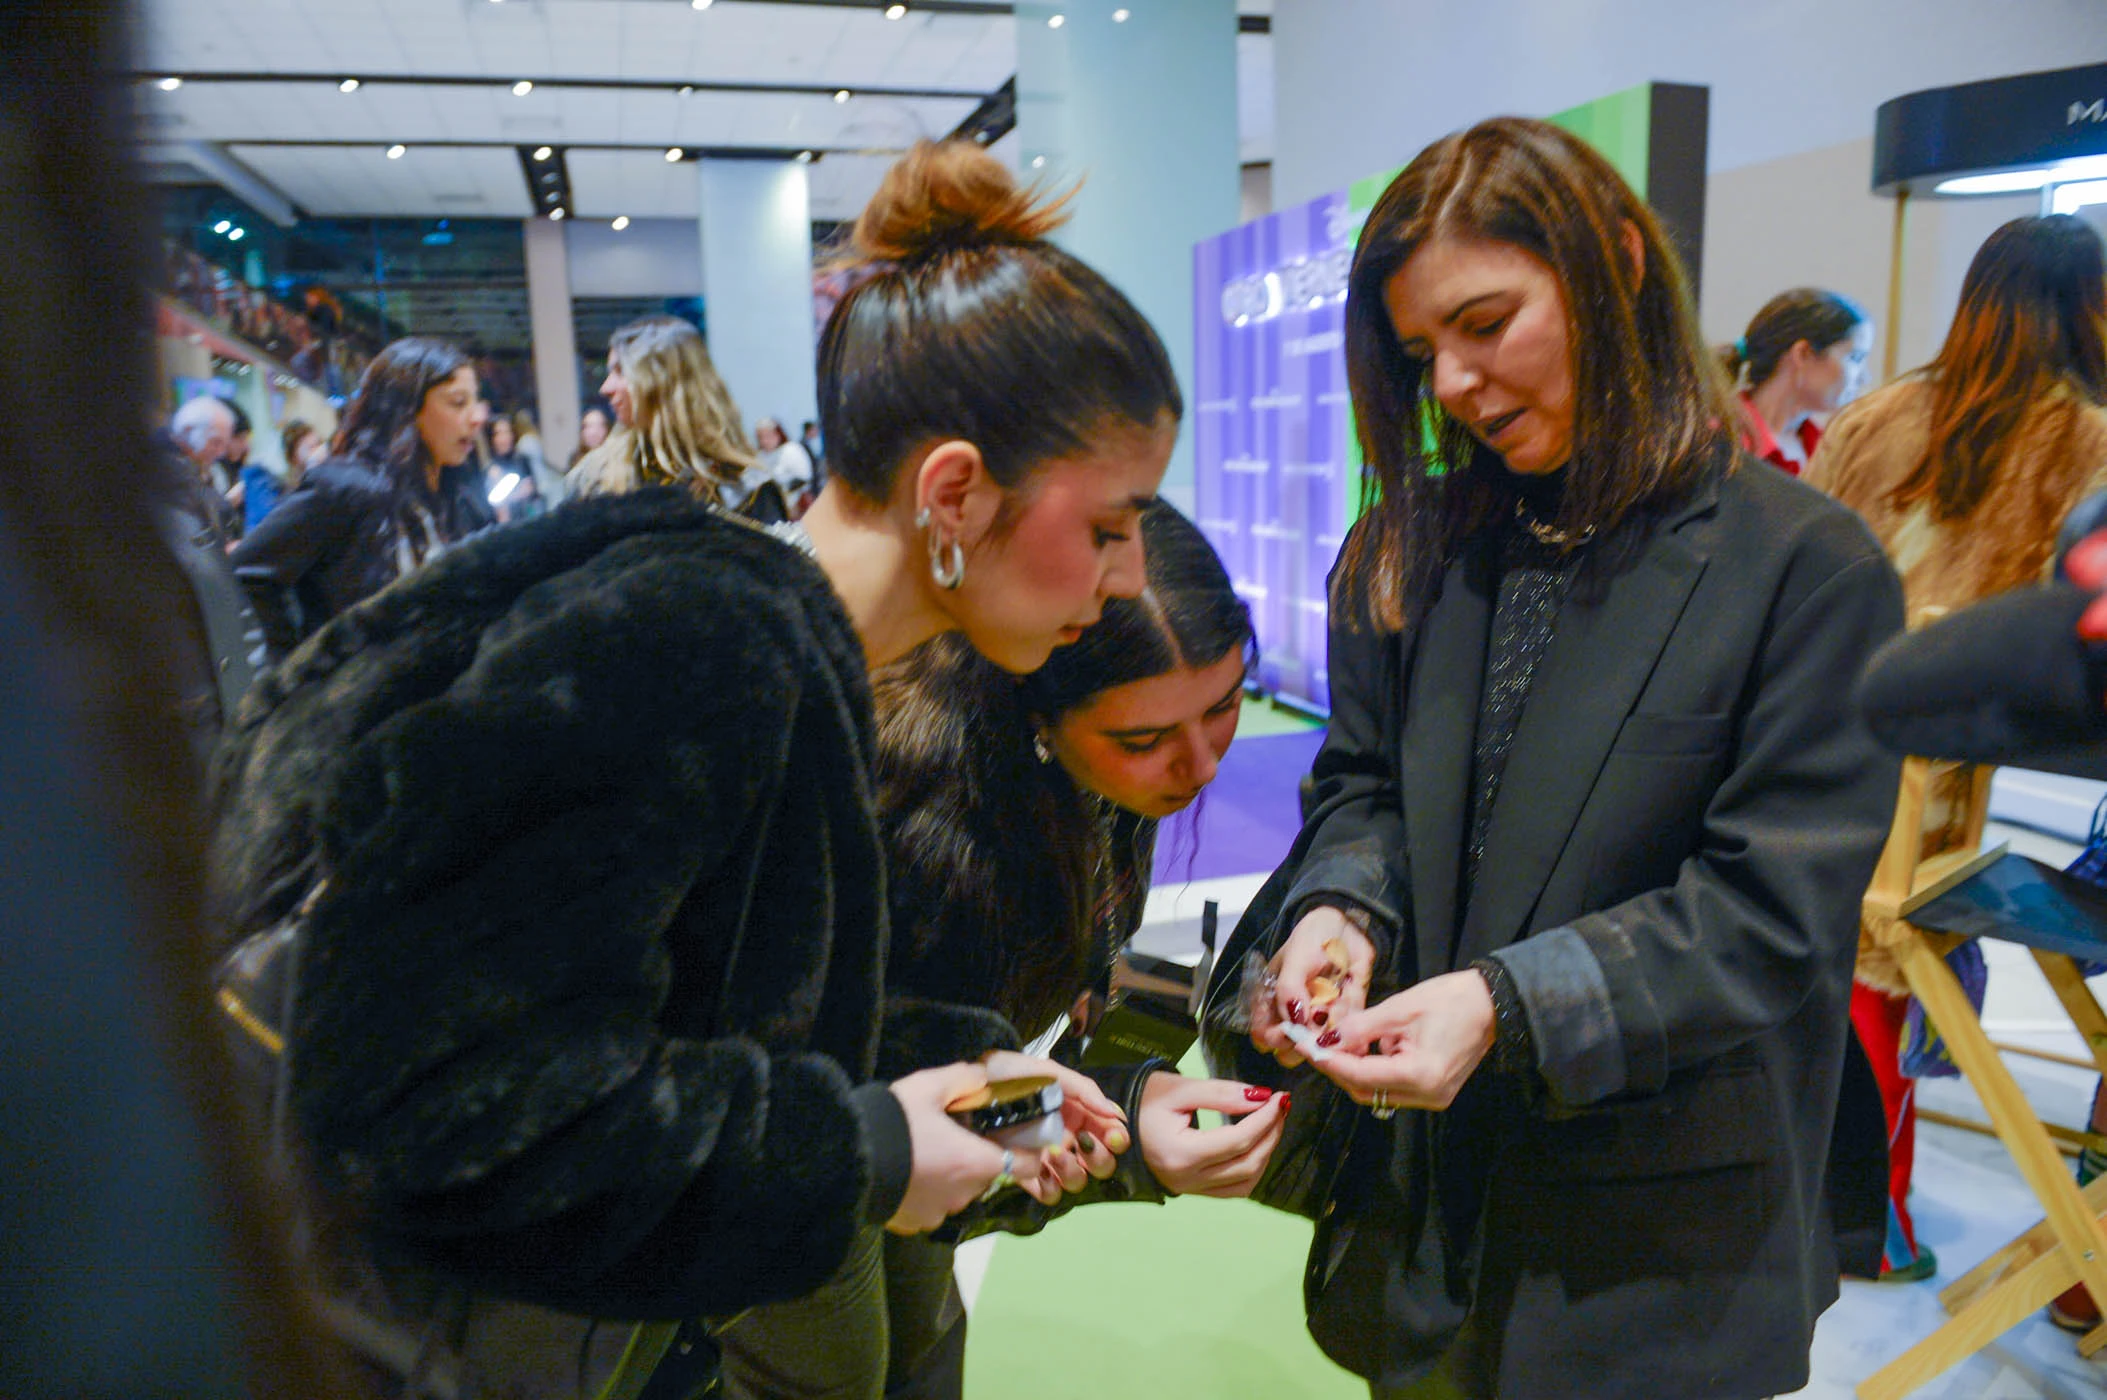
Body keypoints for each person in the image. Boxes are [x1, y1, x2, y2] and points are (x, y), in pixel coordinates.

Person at [210, 137, 1180, 1398]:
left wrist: (954, 1075)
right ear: (953, 492)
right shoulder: (700, 642)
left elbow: (679, 1003)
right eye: (1107, 526)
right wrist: (864, 1149)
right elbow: (432, 1097)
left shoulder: (770, 642)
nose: (1128, 581)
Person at [1224, 117, 1903, 1399]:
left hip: (1656, 1241)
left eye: (1487, 323)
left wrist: (1510, 1002)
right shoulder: (1404, 550)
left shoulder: (1803, 566)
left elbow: (1769, 910)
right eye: (1424, 351)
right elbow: (1362, 786)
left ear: (1618, 268)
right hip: (1425, 1204)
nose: (1456, 385)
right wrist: (1339, 907)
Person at [830, 501, 1285, 1397]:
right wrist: (1108, 1127)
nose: (1200, 766)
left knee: (920, 1340)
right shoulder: (917, 818)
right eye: (1145, 740)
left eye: (1225, 705)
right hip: (806, 1195)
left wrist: (1129, 1096)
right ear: (1038, 714)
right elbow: (890, 1123)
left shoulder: (1081, 772)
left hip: (887, 1161)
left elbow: (972, 1092)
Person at [1803, 212, 2107, 1288]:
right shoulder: (2090, 438)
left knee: (1851, 968)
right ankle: (1872, 1216)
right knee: (1897, 957)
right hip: (1965, 770)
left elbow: (1806, 577)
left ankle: (1854, 1209)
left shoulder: (1872, 414)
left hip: (1829, 738)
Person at [227, 337, 497, 665]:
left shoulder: (460, 495)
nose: (476, 418)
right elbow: (250, 572)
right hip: (366, 705)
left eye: (475, 401)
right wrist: (298, 668)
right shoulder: (347, 487)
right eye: (457, 402)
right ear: (406, 409)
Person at [566, 316, 786, 521]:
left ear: (663, 379)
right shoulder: (595, 478)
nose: (606, 388)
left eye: (620, 371)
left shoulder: (744, 490)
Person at [1722, 287, 1872, 475]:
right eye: (1855, 358)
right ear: (1803, 353)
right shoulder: (1721, 440)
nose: (1865, 377)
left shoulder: (1826, 451)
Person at [166, 394, 242, 548]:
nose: (220, 452)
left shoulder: (196, 466)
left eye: (224, 444)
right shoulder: (167, 471)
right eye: (215, 442)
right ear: (188, 431)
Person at [757, 415, 816, 503]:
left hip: (796, 501)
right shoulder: (759, 457)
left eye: (768, 436)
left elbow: (804, 477)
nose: (765, 441)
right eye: (761, 437)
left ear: (778, 434)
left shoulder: (791, 450)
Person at [568, 398, 614, 470]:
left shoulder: (614, 458)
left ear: (607, 429)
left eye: (599, 426)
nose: (594, 432)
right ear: (582, 431)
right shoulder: (575, 460)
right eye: (589, 426)